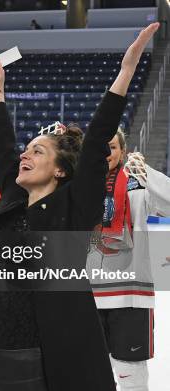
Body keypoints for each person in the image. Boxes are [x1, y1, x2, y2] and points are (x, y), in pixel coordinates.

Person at [0, 22, 158, 391]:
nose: (24, 154)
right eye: (27, 150)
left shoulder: (73, 209)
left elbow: (96, 141)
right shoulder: (13, 196)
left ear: (59, 169)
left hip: (46, 355)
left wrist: (125, 74)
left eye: (37, 151)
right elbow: (6, 145)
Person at [86, 130, 170, 391]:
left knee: (131, 375)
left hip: (131, 295)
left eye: (111, 147)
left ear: (123, 151)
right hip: (87, 296)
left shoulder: (138, 183)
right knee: (88, 372)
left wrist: (148, 173)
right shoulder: (80, 185)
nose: (105, 154)